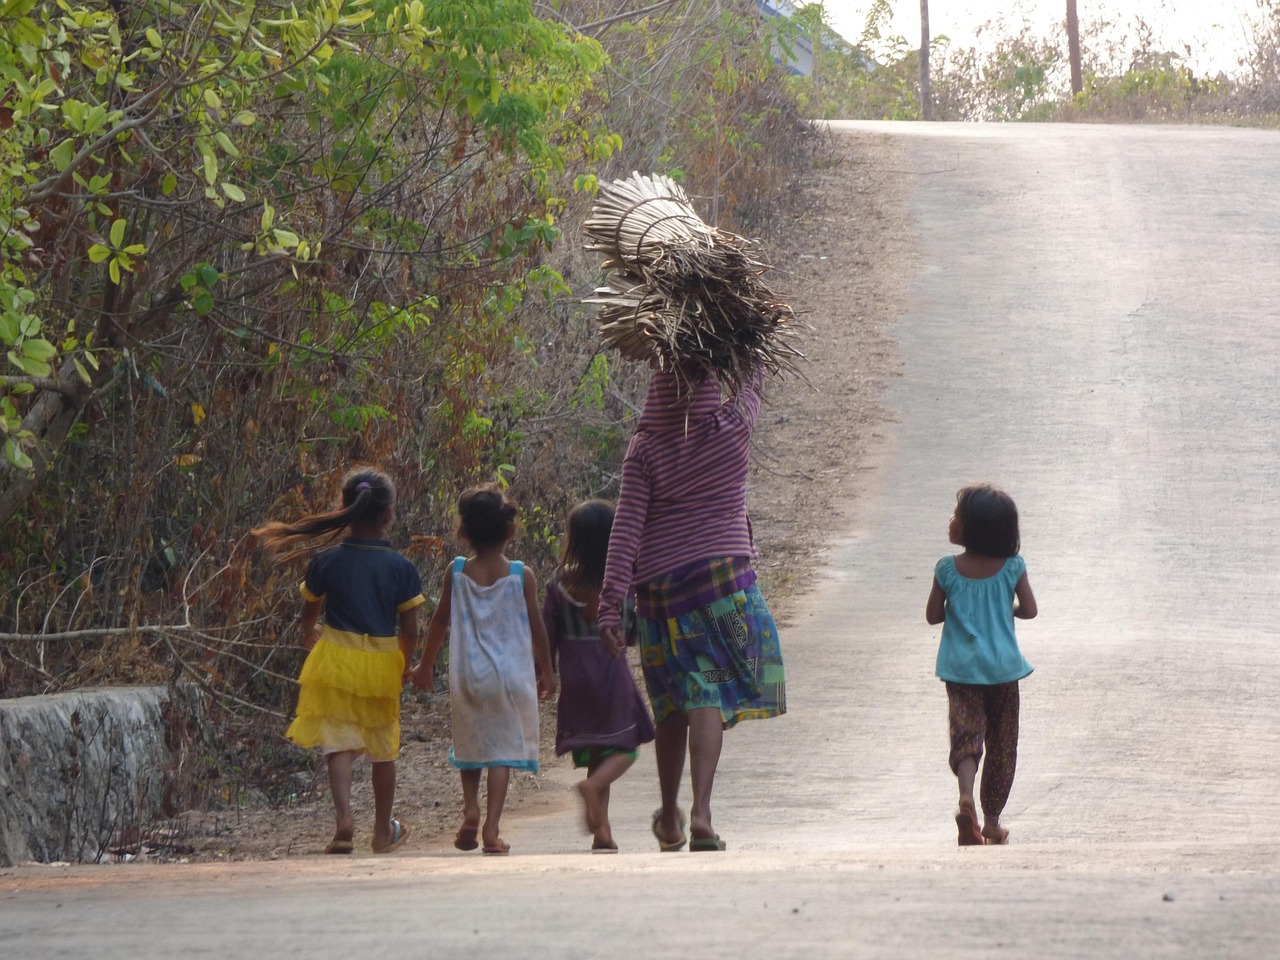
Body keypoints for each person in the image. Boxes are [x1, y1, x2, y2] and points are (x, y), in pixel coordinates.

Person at [599, 370, 786, 853]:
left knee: (672, 704)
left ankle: (669, 815)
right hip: (723, 584)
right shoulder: (731, 428)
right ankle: (700, 811)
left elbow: (625, 529)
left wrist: (610, 605)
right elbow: (752, 379)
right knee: (707, 687)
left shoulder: (645, 451)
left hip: (661, 596)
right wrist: (741, 336)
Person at [253, 468, 423, 855]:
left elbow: (309, 610)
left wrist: (309, 633)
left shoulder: (326, 560)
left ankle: (344, 819)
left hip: (336, 656)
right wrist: (406, 663)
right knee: (383, 749)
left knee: (338, 745)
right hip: (381, 660)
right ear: (389, 516)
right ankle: (382, 830)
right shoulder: (401, 568)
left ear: (345, 508)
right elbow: (410, 628)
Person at [410, 485, 556, 856]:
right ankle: (492, 829)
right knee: (502, 753)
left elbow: (440, 622)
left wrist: (425, 667)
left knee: (471, 744)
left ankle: (470, 808)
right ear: (510, 531)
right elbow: (538, 629)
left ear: (464, 532)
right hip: (510, 678)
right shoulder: (522, 575)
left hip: (467, 676)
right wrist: (547, 671)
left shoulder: (456, 572)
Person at [926, 483, 1038, 846]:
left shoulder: (947, 569)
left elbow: (932, 616)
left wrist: (960, 611)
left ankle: (965, 798)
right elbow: (1031, 610)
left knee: (967, 736)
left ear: (970, 529)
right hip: (1004, 670)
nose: (950, 520)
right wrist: (1005, 612)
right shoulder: (1012, 568)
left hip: (960, 670)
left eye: (956, 516)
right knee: (1003, 743)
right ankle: (991, 821)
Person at [543, 499, 655, 853]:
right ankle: (592, 791)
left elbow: (546, 633)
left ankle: (602, 831)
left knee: (597, 751)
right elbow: (633, 632)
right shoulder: (622, 582)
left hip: (576, 675)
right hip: (609, 673)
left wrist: (545, 671)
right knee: (625, 745)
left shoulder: (558, 583)